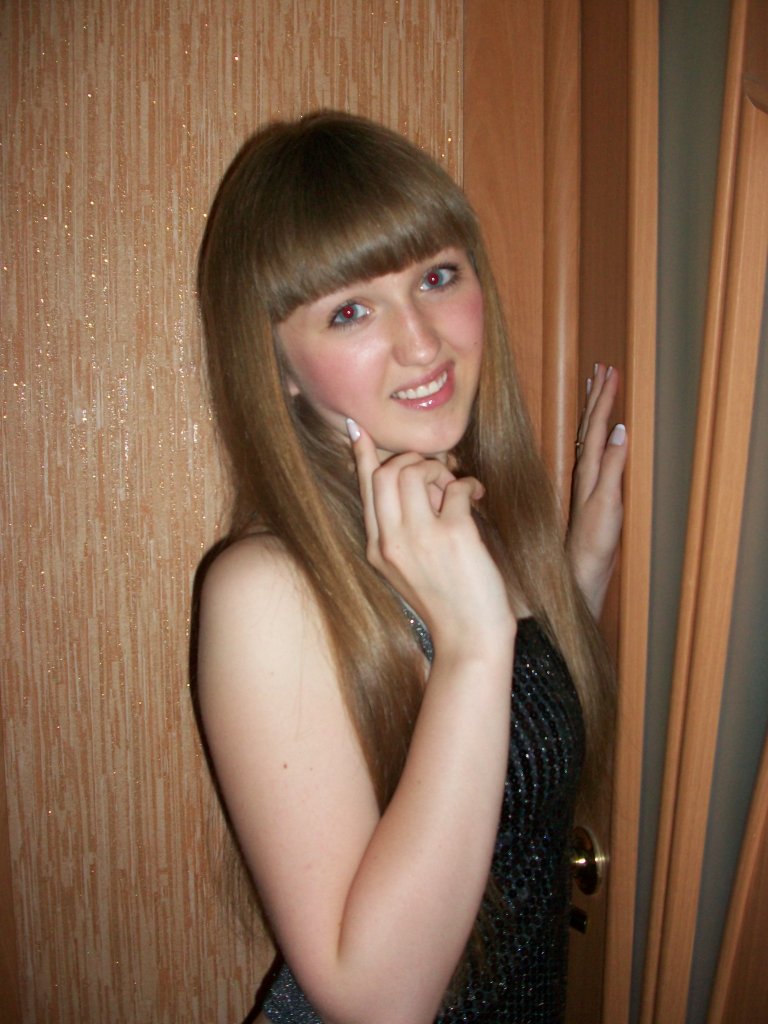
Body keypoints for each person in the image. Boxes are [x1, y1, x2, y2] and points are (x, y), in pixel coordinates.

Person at [195, 110, 627, 1024]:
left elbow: (511, 785)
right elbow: (377, 1000)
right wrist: (473, 642)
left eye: (436, 276)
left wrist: (574, 578)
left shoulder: (463, 530)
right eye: (350, 310)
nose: (424, 343)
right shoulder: (267, 593)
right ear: (280, 366)